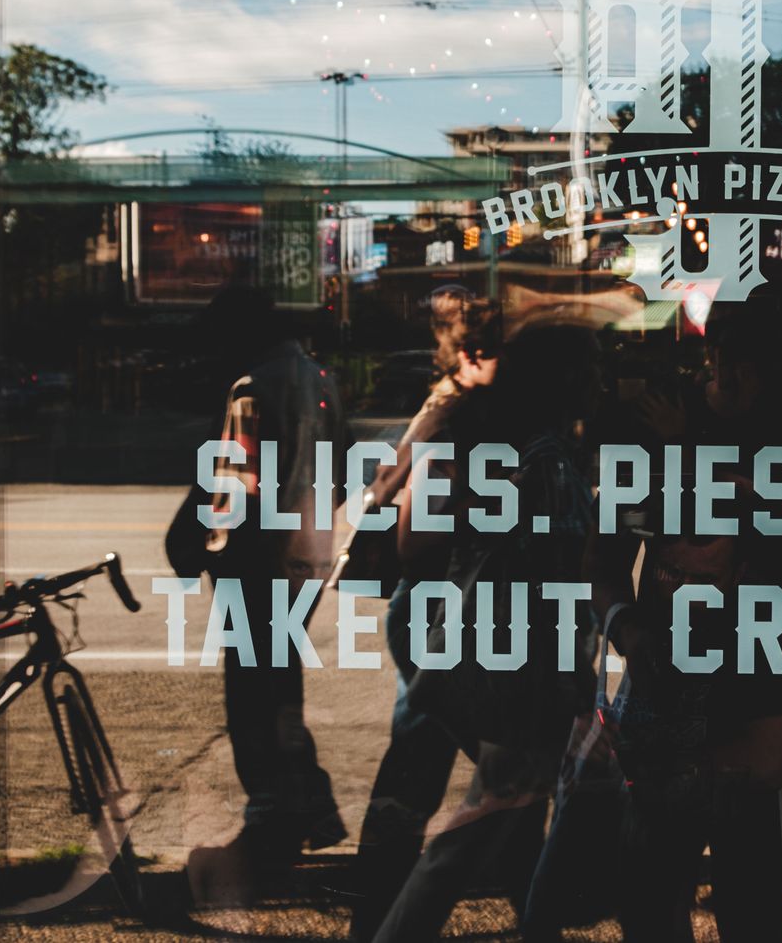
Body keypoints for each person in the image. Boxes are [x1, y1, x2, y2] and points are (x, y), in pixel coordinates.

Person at [590, 259, 782, 941]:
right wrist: (630, 631)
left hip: (771, 706)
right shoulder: (661, 423)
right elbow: (602, 560)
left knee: (754, 902)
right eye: (726, 345)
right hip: (672, 695)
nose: (736, 368)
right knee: (654, 899)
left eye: (762, 352)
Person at [369, 322, 604, 943]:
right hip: (511, 656)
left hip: (496, 648)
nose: (603, 384)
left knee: (505, 811)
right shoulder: (535, 457)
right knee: (483, 812)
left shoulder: (533, 448)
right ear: (563, 381)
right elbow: (547, 574)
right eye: (592, 370)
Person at [181, 286, 351, 906]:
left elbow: (233, 486)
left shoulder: (250, 388)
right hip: (308, 554)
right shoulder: (320, 378)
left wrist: (206, 551)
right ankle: (308, 809)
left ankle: (276, 815)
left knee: (254, 694)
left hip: (257, 562)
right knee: (281, 688)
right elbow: (340, 470)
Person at [348, 285, 502, 942]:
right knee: (502, 766)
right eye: (502, 354)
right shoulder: (453, 417)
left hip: (440, 610)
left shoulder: (454, 408)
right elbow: (416, 538)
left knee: (420, 766)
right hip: (435, 610)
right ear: (469, 355)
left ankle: (378, 919)